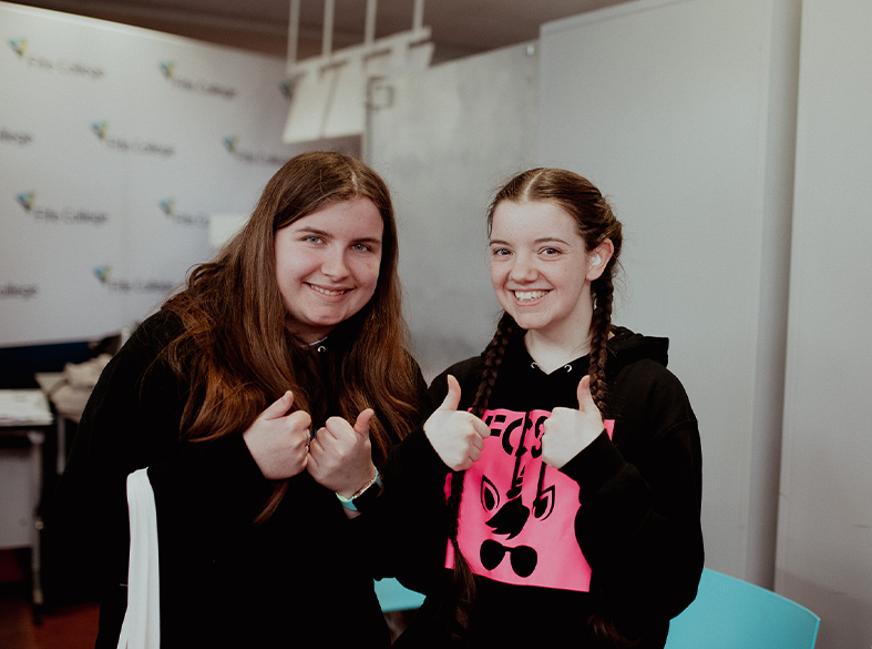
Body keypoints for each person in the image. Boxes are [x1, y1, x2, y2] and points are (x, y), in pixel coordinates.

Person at [55, 151, 426, 648]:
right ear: (266, 241)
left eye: (362, 246)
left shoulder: (391, 374)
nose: (337, 268)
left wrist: (361, 488)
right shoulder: (175, 347)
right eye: (313, 238)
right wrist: (240, 462)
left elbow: (416, 560)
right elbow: (80, 533)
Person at [385, 168, 703, 647]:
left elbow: (666, 589)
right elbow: (409, 569)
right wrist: (423, 460)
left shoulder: (649, 393)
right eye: (503, 251)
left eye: (549, 250)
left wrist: (599, 467)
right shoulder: (462, 386)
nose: (520, 272)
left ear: (597, 257)